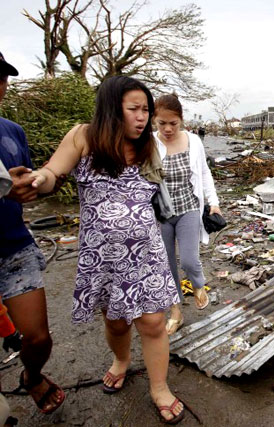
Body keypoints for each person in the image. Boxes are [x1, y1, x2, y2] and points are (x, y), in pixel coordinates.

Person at [28, 76, 185, 423]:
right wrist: (40, 179)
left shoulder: (150, 146)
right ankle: (121, 360)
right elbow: (54, 172)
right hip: (103, 258)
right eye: (134, 109)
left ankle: (159, 387)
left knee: (154, 322)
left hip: (146, 253)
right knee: (115, 322)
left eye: (146, 110)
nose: (142, 117)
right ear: (112, 109)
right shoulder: (83, 136)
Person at [0, 51, 66, 415]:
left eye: (2, 76)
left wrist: (45, 182)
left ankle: (31, 374)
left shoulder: (12, 131)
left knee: (38, 337)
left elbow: (27, 182)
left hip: (12, 246)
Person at [153, 94, 220, 335]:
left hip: (189, 208)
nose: (168, 129)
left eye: (173, 123)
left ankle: (199, 285)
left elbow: (204, 173)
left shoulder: (194, 141)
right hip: (160, 214)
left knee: (190, 260)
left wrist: (213, 202)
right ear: (154, 121)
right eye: (162, 123)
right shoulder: (149, 143)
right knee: (166, 264)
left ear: (181, 120)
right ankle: (176, 312)